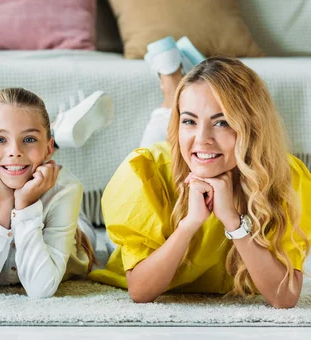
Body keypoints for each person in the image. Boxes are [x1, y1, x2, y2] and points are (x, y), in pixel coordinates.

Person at [89, 40, 311, 308]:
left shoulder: (287, 179)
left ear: (253, 128)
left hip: (212, 165)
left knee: (196, 145)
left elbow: (285, 297)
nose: (203, 138)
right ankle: (172, 91)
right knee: (164, 143)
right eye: (189, 120)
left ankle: (178, 92)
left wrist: (233, 220)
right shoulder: (144, 172)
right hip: (163, 185)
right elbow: (141, 291)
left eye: (222, 122)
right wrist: (189, 224)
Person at [0, 88, 97, 298]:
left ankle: (47, 135)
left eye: (28, 139)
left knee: (86, 233)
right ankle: (49, 133)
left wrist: (26, 204)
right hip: (29, 163)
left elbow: (40, 289)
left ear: (48, 148)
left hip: (77, 237)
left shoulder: (66, 188)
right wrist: (3, 204)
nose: (14, 150)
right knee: (21, 159)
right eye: (0, 139)